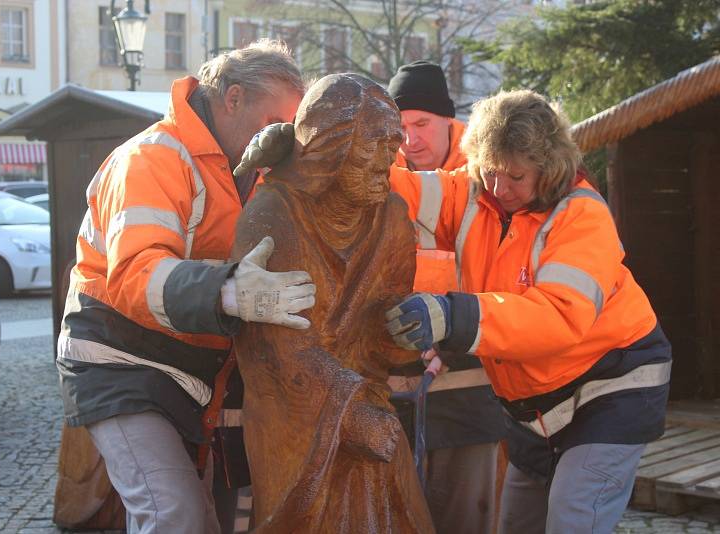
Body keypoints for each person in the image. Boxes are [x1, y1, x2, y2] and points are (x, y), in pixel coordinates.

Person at [56, 39, 316, 534]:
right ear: (233, 98)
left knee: (202, 518)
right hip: (122, 365)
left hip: (186, 376)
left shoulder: (250, 171)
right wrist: (231, 291)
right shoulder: (152, 158)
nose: (279, 139)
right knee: (172, 513)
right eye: (272, 123)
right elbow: (136, 273)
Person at [385, 90, 671, 534]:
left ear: (549, 166)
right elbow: (390, 186)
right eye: (490, 172)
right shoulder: (470, 190)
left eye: (516, 176)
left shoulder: (583, 218)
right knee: (518, 525)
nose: (499, 189)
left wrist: (451, 316)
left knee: (573, 519)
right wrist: (303, 150)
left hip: (612, 387)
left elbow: (558, 316)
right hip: (532, 408)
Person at [231, 72, 435, 533]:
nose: (391, 157)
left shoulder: (393, 219)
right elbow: (275, 351)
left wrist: (402, 335)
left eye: (393, 142)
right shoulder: (273, 215)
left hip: (371, 407)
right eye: (376, 143)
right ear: (329, 146)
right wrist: (350, 416)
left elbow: (386, 335)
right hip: (298, 425)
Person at [386, 61, 507, 534]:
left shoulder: (488, 180)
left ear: (449, 123)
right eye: (398, 128)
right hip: (394, 391)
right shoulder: (381, 181)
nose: (409, 139)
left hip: (471, 390)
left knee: (468, 517)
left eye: (421, 124)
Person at [387, 60, 467, 172]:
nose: (411, 141)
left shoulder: (486, 168)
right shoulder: (378, 169)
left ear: (447, 117)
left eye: (421, 124)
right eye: (401, 128)